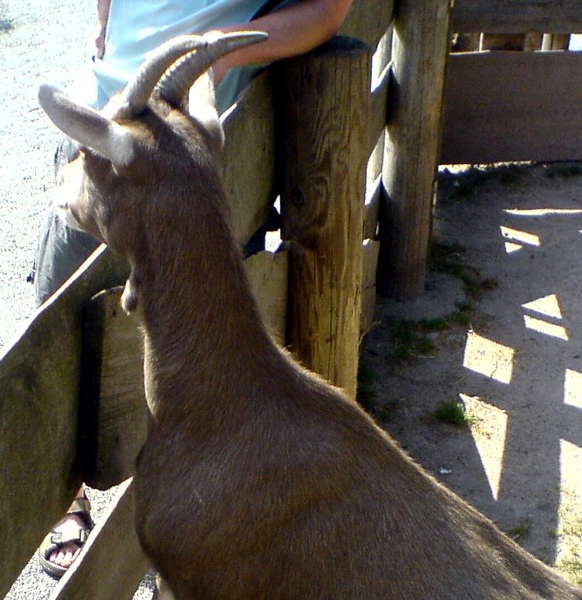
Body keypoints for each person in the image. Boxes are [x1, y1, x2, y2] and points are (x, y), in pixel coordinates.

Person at [34, 0, 352, 579]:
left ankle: (193, 532)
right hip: (103, 120)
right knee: (57, 334)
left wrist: (221, 49)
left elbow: (327, 10)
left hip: (193, 157)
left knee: (203, 366)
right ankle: (66, 497)